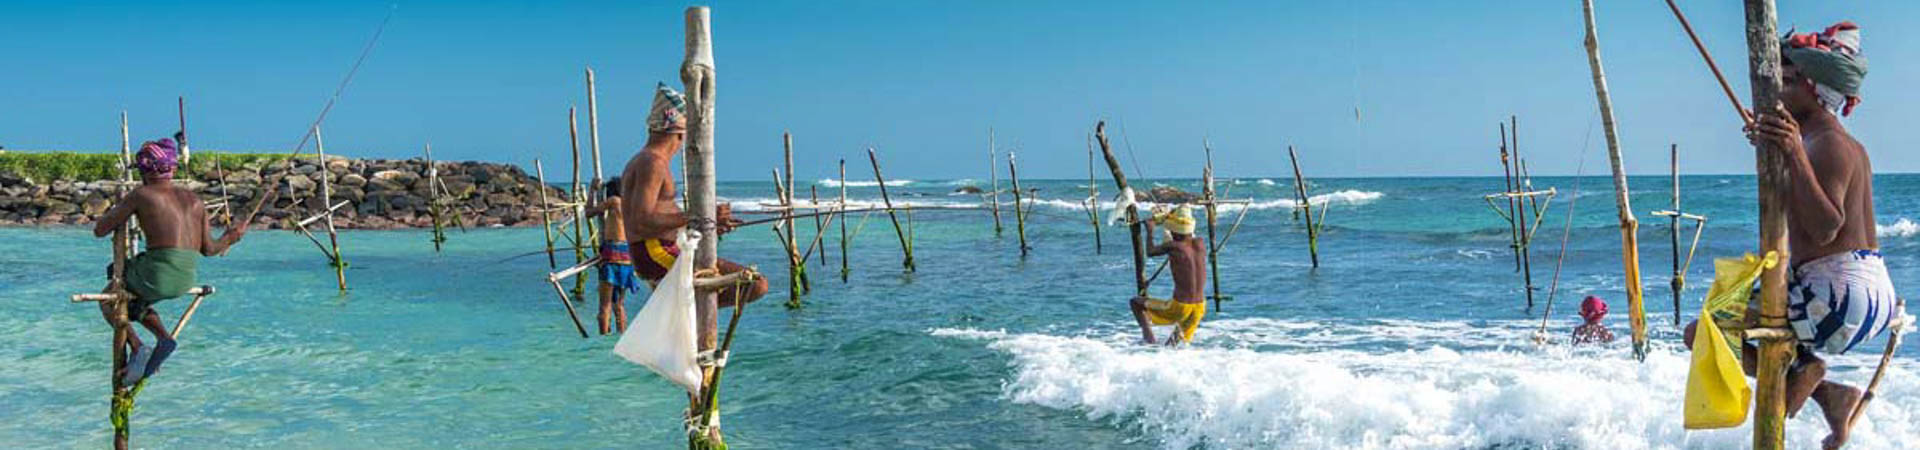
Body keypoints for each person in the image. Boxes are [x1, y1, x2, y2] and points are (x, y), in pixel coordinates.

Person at [1685, 21, 1899, 449]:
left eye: (1785, 81)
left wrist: (1794, 153)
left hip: (1835, 298)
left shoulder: (1826, 144)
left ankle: (1811, 376)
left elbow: (1825, 228)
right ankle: (1826, 392)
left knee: (1704, 329)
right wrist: (1779, 150)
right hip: (1864, 296)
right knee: (1722, 320)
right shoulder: (1831, 141)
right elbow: (1804, 204)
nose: (1776, 91)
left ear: (1814, 87)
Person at [92, 135, 256, 384]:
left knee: (109, 298)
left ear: (146, 171)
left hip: (157, 274)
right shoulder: (196, 201)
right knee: (135, 296)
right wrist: (232, 237)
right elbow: (210, 250)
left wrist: (117, 209)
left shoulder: (142, 194)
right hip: (185, 276)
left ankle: (137, 348)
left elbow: (100, 230)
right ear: (172, 169)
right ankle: (164, 338)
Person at [619, 82, 767, 305]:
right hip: (655, 252)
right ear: (678, 134)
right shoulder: (653, 162)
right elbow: (641, 221)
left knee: (748, 284)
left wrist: (709, 223)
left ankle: (687, 320)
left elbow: (654, 217)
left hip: (660, 249)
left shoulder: (647, 161)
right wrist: (700, 216)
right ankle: (690, 319)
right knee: (755, 284)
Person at [1128, 205, 1208, 345]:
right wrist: (1168, 218)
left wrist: (1150, 230)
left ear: (1176, 232)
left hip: (1180, 307)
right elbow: (1182, 236)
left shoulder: (1174, 246)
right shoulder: (1200, 243)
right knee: (1173, 345)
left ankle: (1149, 341)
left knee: (1136, 303)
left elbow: (1151, 251)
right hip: (1200, 307)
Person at [587, 177, 637, 335]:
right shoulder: (631, 206)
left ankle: (603, 340)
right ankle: (622, 335)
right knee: (619, 305)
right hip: (627, 258)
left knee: (605, 306)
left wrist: (592, 191)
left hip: (612, 256)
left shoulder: (615, 201)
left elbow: (589, 212)